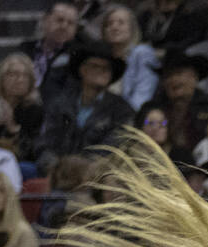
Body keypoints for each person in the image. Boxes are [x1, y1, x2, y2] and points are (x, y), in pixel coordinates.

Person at [35, 41, 135, 174]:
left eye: (106, 68)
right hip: (58, 175)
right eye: (95, 66)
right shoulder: (59, 104)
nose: (101, 72)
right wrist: (56, 168)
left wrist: (81, 169)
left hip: (98, 179)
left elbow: (113, 149)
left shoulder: (123, 110)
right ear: (82, 69)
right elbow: (45, 143)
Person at [147, 46, 208, 162]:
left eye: (178, 73)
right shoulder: (155, 109)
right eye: (168, 76)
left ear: (194, 77)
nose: (173, 80)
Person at [0, 53, 46, 170]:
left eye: (25, 76)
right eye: (13, 74)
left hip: (21, 163)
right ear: (2, 78)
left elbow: (31, 151)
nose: (20, 80)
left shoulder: (35, 111)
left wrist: (12, 127)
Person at [19, 1, 81, 105]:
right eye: (59, 20)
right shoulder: (25, 48)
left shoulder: (77, 56)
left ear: (75, 29)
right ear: (45, 21)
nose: (64, 26)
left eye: (70, 23)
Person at [100, 4, 160, 112]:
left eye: (121, 23)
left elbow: (143, 95)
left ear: (132, 29)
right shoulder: (101, 57)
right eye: (109, 24)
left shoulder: (142, 53)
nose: (114, 27)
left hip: (127, 116)